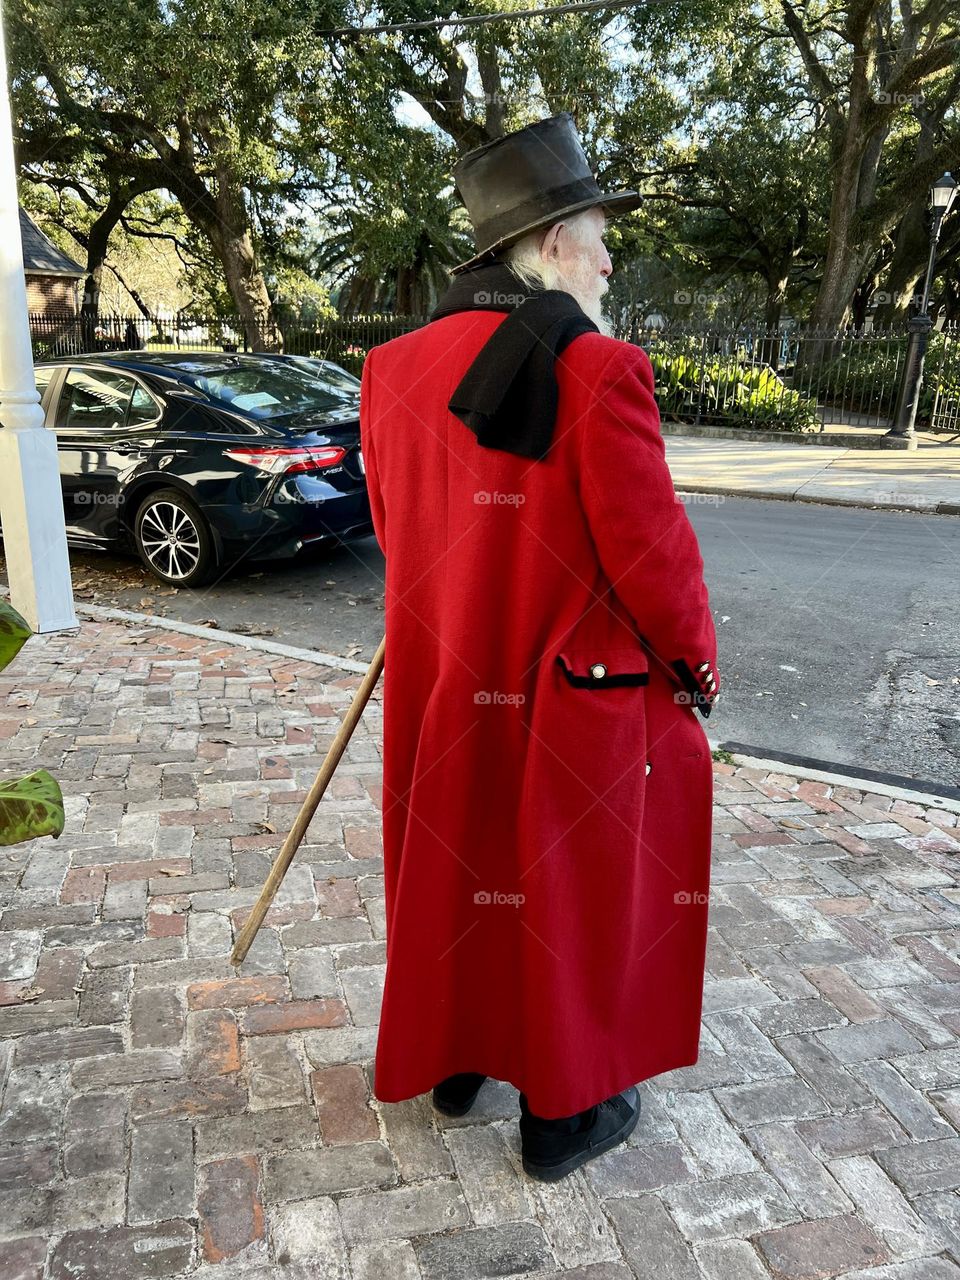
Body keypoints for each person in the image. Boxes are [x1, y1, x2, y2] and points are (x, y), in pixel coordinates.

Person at [359, 113, 720, 1182]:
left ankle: (458, 1060)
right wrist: (697, 665)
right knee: (564, 894)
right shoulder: (602, 368)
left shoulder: (389, 369)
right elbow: (655, 561)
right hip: (570, 694)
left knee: (461, 871)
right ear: (556, 239)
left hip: (440, 679)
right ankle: (564, 1111)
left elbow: (395, 531)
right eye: (602, 235)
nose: (610, 259)